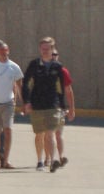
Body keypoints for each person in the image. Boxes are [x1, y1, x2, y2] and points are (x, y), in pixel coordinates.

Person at [21, 37, 68, 173]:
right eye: (43, 49)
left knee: (50, 133)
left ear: (52, 49)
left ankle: (52, 161)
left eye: (48, 49)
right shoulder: (34, 65)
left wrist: (63, 105)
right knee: (39, 134)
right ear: (40, 49)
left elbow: (61, 87)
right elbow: (26, 84)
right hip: (37, 104)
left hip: (53, 104)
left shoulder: (58, 66)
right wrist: (27, 102)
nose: (45, 51)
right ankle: (40, 160)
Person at [0, 40, 23, 170]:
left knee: (7, 130)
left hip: (8, 103)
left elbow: (19, 85)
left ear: (8, 51)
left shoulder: (14, 67)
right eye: (1, 50)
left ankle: (6, 160)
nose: (3, 53)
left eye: (5, 51)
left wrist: (22, 102)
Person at [53, 49, 76, 167]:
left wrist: (71, 108)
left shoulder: (63, 72)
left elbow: (68, 90)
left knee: (58, 134)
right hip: (45, 106)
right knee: (45, 134)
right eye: (52, 55)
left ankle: (60, 157)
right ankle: (47, 159)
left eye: (55, 55)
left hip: (59, 107)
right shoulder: (41, 69)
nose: (53, 57)